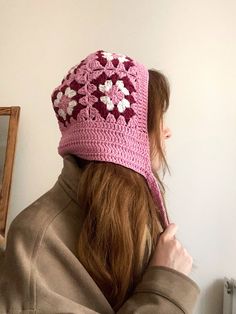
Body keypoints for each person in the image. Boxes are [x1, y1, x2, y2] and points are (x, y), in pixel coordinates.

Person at [0, 49, 200, 313]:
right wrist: (164, 288)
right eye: (155, 119)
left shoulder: (132, 215)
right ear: (123, 137)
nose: (167, 131)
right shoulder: (35, 242)